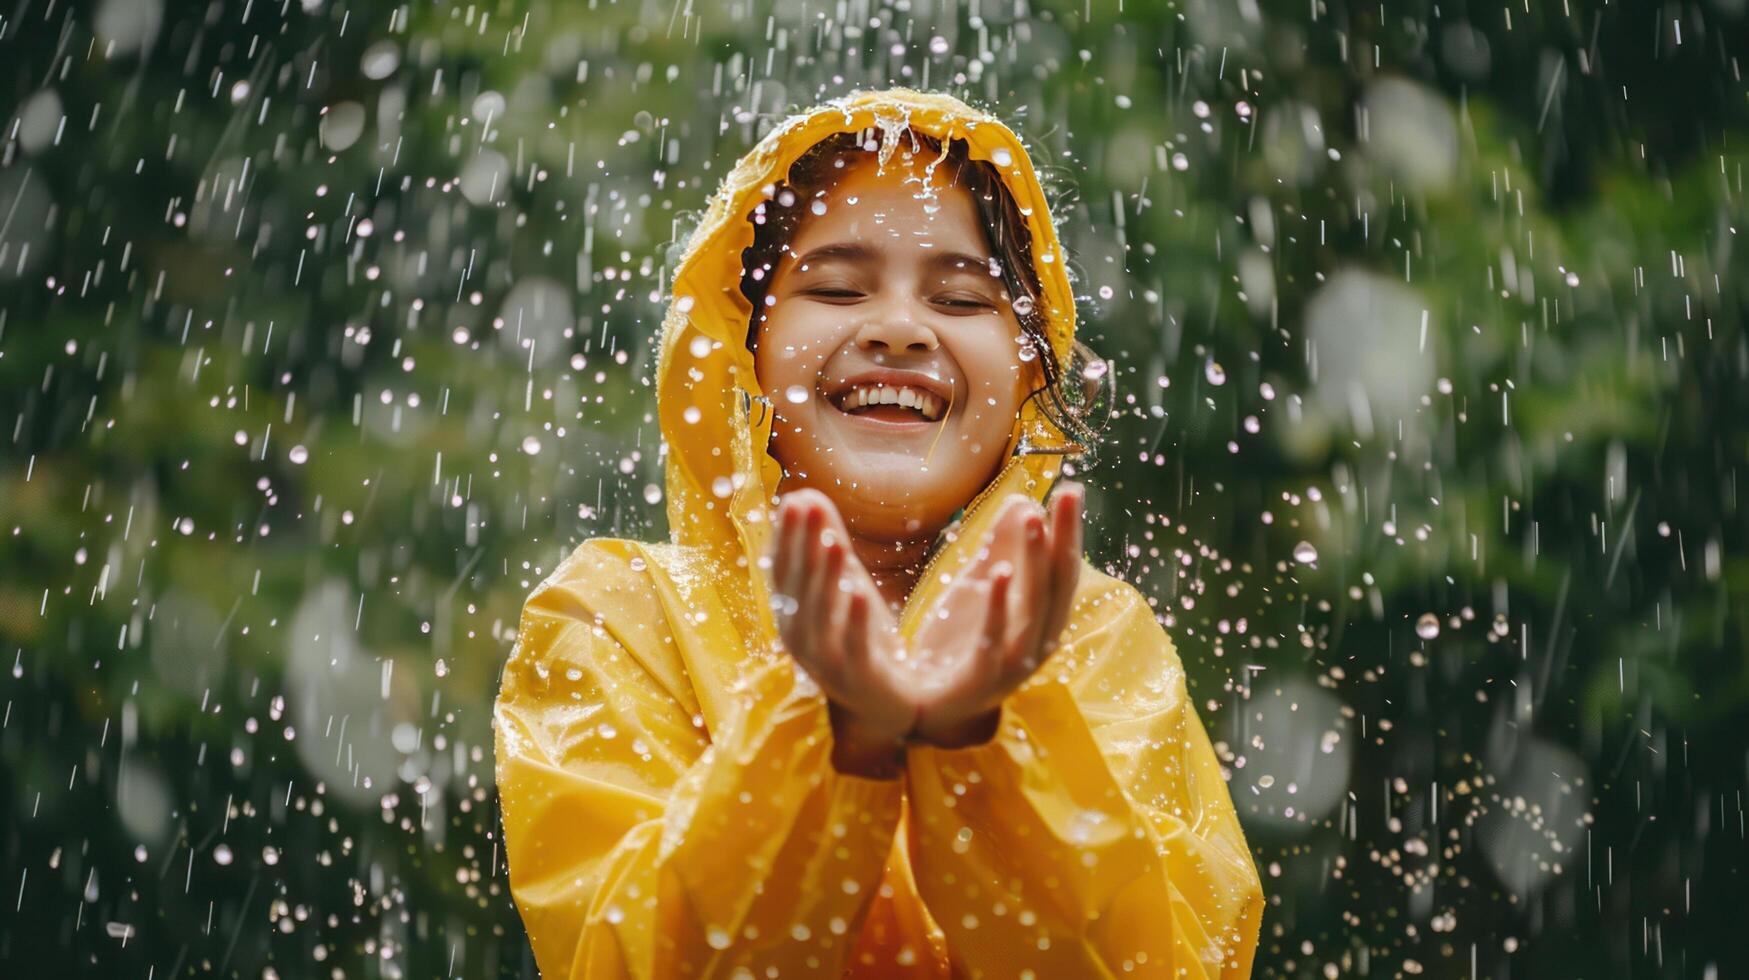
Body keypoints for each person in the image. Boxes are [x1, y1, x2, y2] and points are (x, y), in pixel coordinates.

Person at [494, 87, 1264, 978]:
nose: (899, 329)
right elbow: (625, 960)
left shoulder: (1091, 639)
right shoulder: (619, 618)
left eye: (964, 299)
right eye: (832, 286)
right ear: (743, 346)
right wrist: (828, 735)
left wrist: (982, 741)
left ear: (1028, 374)